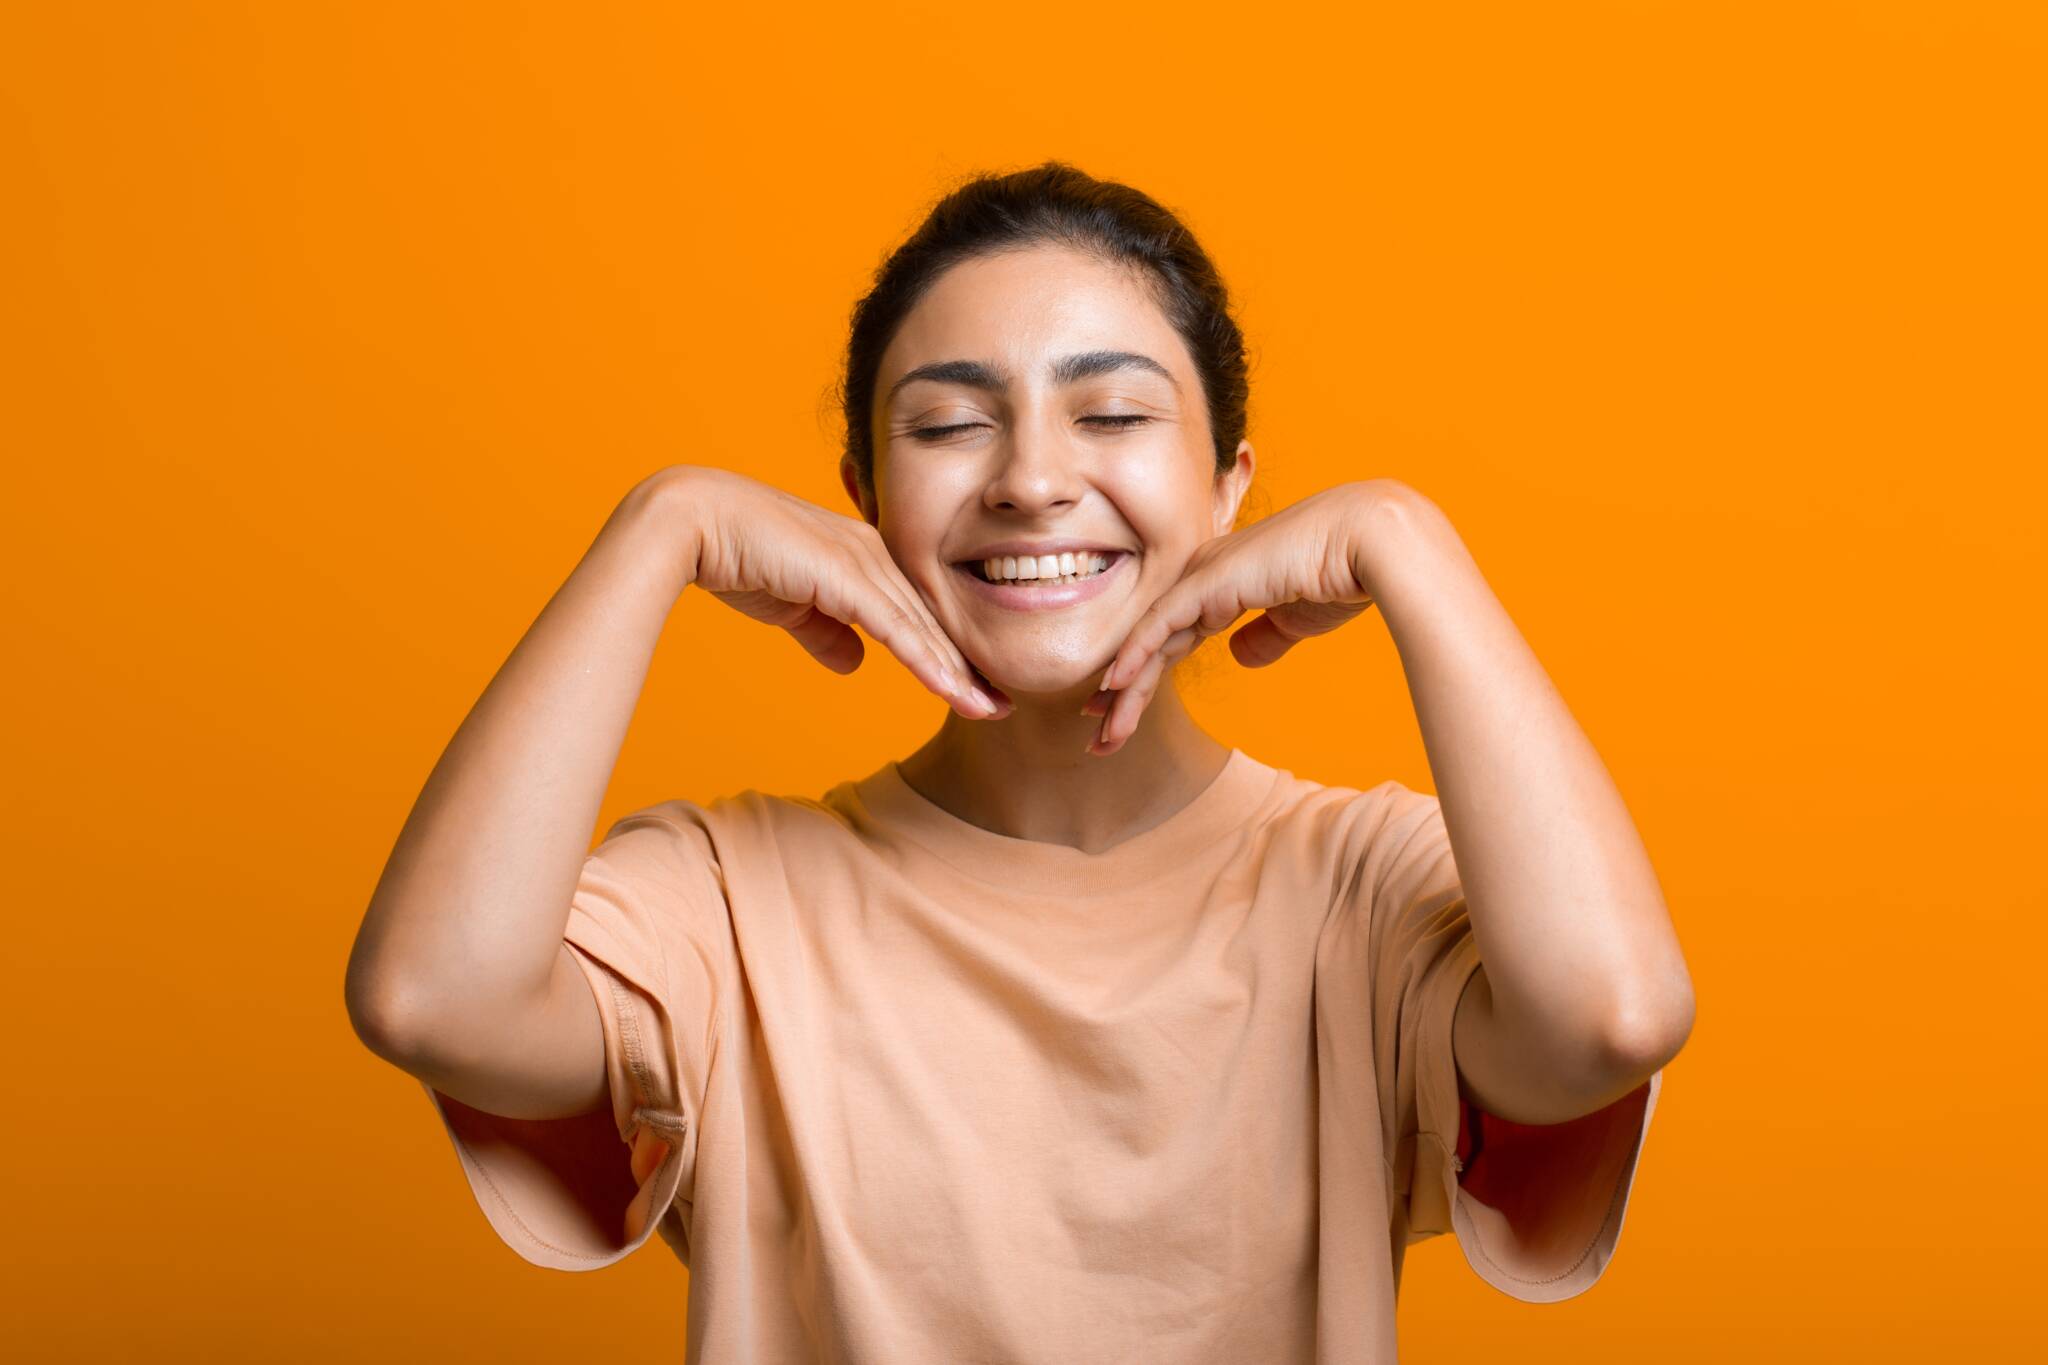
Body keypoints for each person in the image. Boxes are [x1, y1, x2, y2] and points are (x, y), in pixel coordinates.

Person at [345, 161, 1694, 1363]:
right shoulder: (729, 901)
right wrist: (659, 529)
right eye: (945, 427)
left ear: (1230, 486)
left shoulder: (1359, 888)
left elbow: (1610, 1023)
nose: (1032, 481)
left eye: (1112, 417)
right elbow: (429, 998)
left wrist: (1413, 547)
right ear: (862, 498)